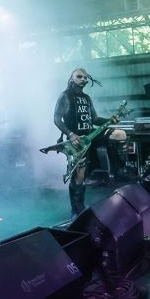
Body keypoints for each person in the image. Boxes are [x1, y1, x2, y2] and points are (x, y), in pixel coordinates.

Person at [53, 68, 113, 216]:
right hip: (76, 142)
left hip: (90, 138)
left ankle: (119, 170)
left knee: (118, 135)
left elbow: (95, 119)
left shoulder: (86, 98)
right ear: (71, 79)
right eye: (79, 76)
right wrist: (71, 135)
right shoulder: (65, 96)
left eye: (85, 77)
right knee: (78, 175)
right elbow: (57, 119)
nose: (83, 79)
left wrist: (110, 120)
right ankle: (76, 210)